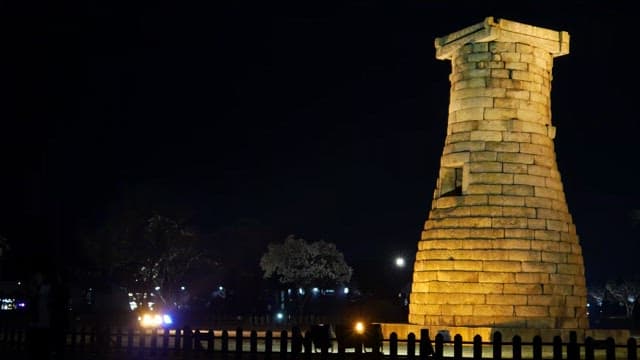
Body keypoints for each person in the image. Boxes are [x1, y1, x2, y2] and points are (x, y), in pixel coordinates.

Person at [26, 269, 53, 360]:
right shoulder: (34, 287)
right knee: (35, 340)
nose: (38, 278)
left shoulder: (46, 288)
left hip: (42, 318)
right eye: (37, 276)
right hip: (35, 317)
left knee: (42, 340)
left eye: (39, 276)